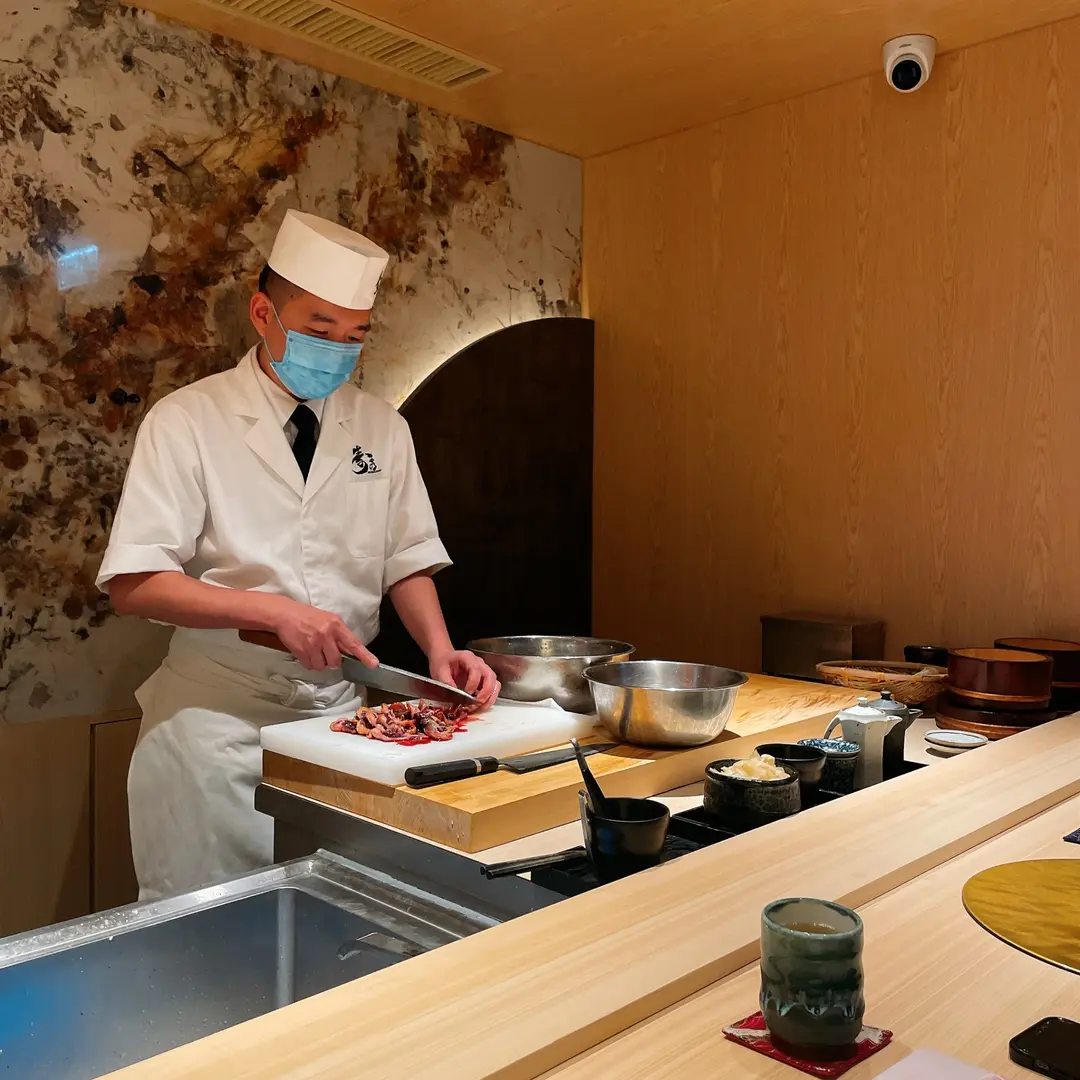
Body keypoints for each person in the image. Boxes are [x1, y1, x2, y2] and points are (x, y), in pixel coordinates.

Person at [96, 210, 499, 900]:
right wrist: (273, 612)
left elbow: (406, 556)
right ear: (263, 314)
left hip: (338, 719)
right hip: (217, 720)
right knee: (211, 929)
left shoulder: (382, 428)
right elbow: (135, 584)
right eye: (320, 329)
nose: (338, 350)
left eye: (355, 336)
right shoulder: (187, 420)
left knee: (332, 918)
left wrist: (440, 651)